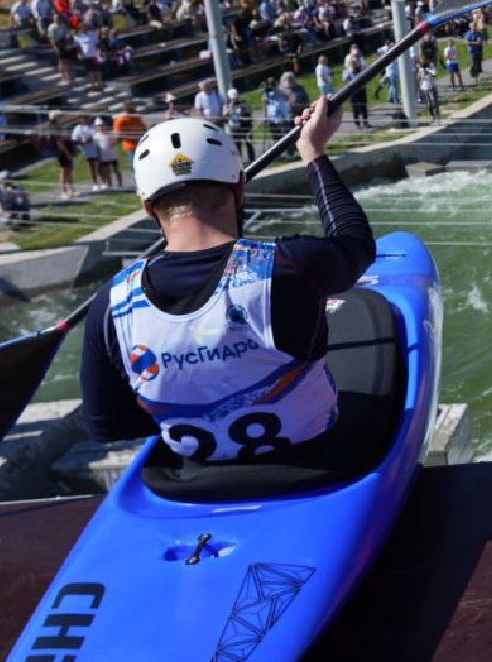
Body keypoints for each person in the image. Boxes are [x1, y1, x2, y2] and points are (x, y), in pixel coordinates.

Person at [78, 99, 377, 463]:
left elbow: (109, 426)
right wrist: (312, 152)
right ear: (239, 188)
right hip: (321, 460)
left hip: (198, 482)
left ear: (147, 207)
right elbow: (355, 242)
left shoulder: (110, 304)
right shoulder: (289, 266)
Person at [227, 87, 256, 160]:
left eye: (236, 96)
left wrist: (243, 107)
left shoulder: (244, 102)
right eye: (233, 97)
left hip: (245, 127)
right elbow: (226, 114)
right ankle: (239, 162)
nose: (235, 98)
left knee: (249, 144)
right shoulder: (228, 105)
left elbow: (249, 111)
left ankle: (252, 160)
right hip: (235, 128)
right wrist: (231, 105)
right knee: (237, 146)